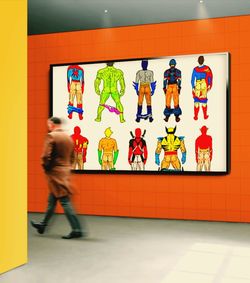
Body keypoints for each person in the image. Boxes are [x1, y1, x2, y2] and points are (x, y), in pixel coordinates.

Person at [30, 117, 84, 239]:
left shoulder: (51, 136)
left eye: (48, 124)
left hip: (55, 173)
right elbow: (72, 157)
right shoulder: (68, 138)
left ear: (52, 124)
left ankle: (77, 229)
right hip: (65, 172)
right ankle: (43, 225)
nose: (48, 127)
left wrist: (47, 168)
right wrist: (66, 167)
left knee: (64, 201)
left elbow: (45, 156)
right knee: (52, 200)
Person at [191, 56, 213, 120]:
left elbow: (192, 79)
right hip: (203, 84)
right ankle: (204, 116)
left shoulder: (195, 69)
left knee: (197, 101)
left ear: (197, 61)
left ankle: (196, 116)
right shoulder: (207, 68)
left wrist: (193, 86)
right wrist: (209, 84)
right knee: (203, 101)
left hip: (199, 85)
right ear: (204, 60)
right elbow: (210, 77)